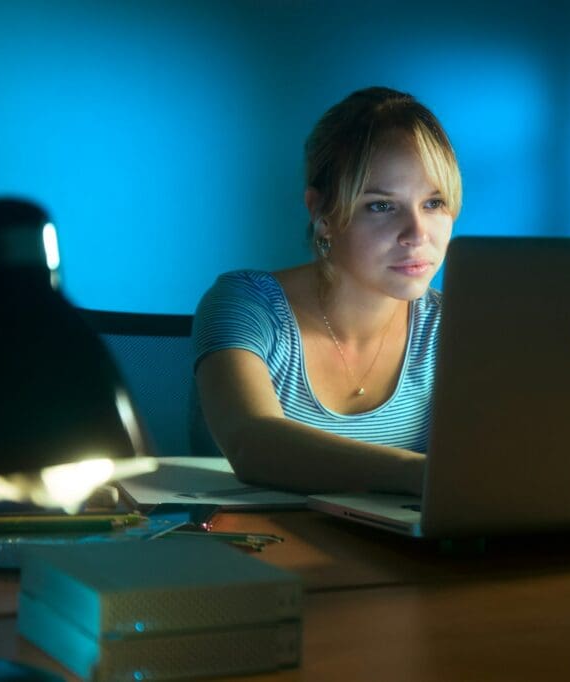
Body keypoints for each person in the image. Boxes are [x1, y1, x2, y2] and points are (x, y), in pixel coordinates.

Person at [193, 87, 462, 495]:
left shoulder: (454, 326)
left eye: (433, 203)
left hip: (402, 556)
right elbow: (252, 443)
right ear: (321, 213)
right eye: (381, 205)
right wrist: (422, 474)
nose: (417, 234)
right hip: (253, 552)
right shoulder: (245, 305)